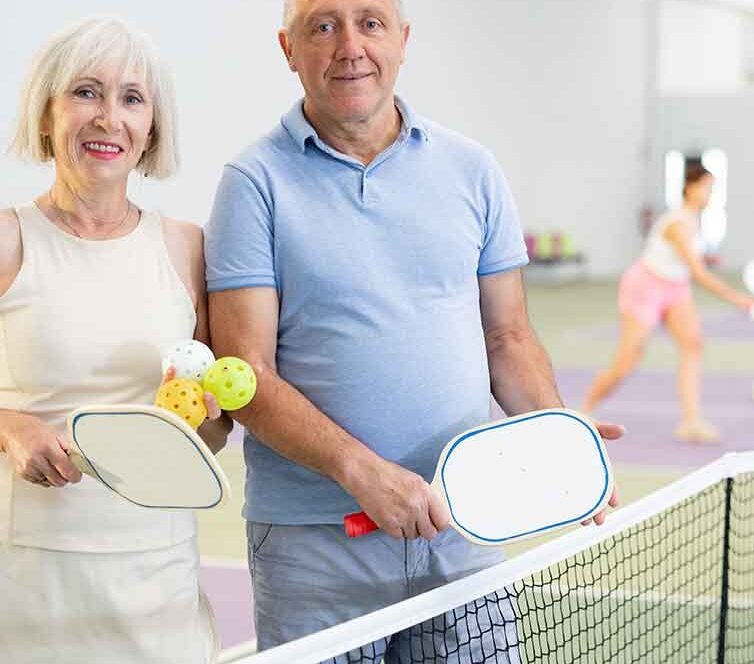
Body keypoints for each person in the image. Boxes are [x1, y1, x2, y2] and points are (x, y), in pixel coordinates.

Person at [204, 0, 622, 659]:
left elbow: (507, 338)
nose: (350, 45)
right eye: (323, 25)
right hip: (314, 545)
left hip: (463, 529)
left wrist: (556, 437)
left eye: (370, 22)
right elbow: (245, 374)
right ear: (288, 49)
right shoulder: (252, 184)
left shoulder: (473, 168)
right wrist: (363, 473)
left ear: (402, 39)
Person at [0, 16, 229, 664]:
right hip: (16, 581)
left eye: (131, 99)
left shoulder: (187, 248)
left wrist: (208, 417)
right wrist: (8, 428)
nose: (109, 117)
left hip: (153, 577)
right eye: (86, 92)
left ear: (151, 131)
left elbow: (210, 434)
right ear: (47, 115)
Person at [581, 163, 754, 443]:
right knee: (626, 361)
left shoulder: (694, 219)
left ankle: (690, 421)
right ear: (689, 187)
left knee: (692, 345)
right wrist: (740, 299)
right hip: (645, 285)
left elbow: (687, 265)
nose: (708, 193)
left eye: (712, 187)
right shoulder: (677, 223)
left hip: (675, 287)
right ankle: (583, 412)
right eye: (704, 186)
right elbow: (698, 273)